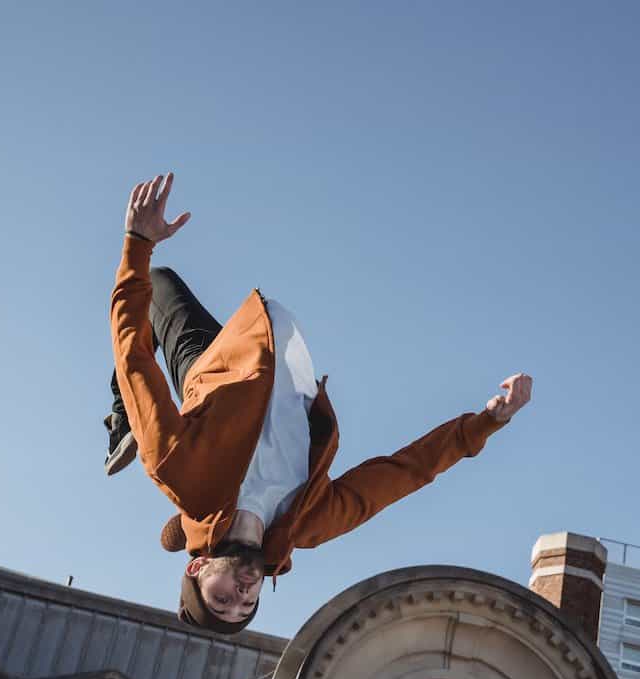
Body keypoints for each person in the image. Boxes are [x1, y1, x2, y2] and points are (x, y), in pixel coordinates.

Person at [107, 173, 532, 634]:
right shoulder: (310, 522)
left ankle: (121, 419)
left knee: (154, 284)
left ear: (197, 569)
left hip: (212, 368)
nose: (242, 594)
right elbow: (405, 473)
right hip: (265, 352)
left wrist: (137, 242)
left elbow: (133, 355)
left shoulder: (183, 473)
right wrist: (486, 422)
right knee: (152, 318)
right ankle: (145, 455)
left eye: (223, 597)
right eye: (245, 606)